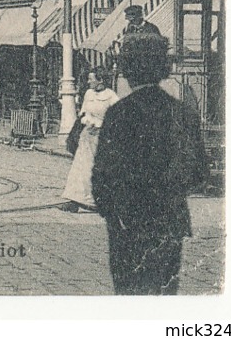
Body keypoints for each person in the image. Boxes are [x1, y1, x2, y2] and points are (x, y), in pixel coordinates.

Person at [92, 31, 209, 295]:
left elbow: (101, 177)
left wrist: (113, 212)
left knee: (129, 297)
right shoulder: (183, 113)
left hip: (127, 224)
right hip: (169, 224)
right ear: (163, 68)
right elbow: (200, 172)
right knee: (163, 297)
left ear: (127, 70)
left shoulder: (118, 114)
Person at [60, 66, 120, 213]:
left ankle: (96, 201)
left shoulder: (112, 97)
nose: (88, 82)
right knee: (80, 168)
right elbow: (84, 112)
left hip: (103, 138)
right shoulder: (88, 94)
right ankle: (75, 200)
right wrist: (87, 120)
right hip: (87, 135)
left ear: (100, 81)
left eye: (91, 79)